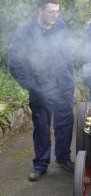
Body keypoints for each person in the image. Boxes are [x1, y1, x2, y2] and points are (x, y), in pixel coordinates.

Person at [8, 0, 75, 181]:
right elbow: (14, 63)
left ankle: (63, 158)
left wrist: (69, 72)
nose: (55, 15)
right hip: (41, 88)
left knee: (65, 124)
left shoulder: (60, 25)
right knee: (42, 127)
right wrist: (32, 86)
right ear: (39, 11)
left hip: (64, 85)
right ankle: (40, 164)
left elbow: (67, 51)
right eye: (51, 12)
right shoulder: (24, 33)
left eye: (57, 11)